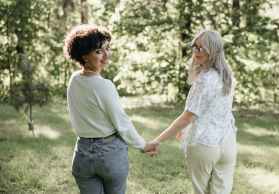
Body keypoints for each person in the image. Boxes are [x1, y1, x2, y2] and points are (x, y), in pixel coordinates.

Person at [64, 24, 157, 194]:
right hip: (109, 156)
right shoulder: (104, 86)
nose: (106, 56)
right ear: (84, 55)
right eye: (99, 51)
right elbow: (122, 123)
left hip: (82, 155)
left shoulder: (74, 80)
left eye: (107, 49)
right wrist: (143, 145)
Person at [151, 30, 238, 194]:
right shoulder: (227, 75)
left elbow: (187, 117)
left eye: (202, 48)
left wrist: (157, 140)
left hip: (205, 144)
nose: (197, 52)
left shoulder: (205, 80)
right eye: (195, 47)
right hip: (227, 143)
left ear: (213, 51)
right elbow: (212, 109)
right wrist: (185, 130)